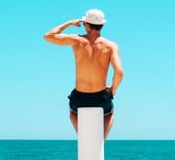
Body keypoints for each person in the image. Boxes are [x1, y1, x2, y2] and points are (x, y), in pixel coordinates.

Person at [44, 9, 124, 140]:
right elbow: (119, 73)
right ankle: (102, 138)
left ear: (87, 24)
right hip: (101, 97)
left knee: (72, 113)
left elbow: (48, 36)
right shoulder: (111, 46)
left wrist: (70, 23)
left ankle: (83, 136)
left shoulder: (77, 40)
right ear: (101, 25)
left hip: (80, 98)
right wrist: (112, 91)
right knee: (109, 114)